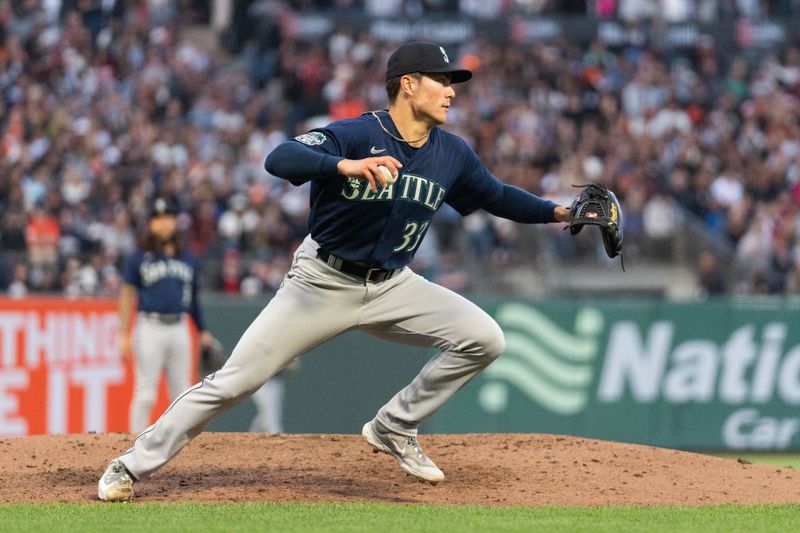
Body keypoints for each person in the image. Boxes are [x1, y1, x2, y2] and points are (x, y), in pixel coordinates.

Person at [98, 41, 573, 502]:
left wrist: (560, 213)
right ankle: (130, 464)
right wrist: (343, 165)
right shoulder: (356, 134)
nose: (451, 91)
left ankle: (395, 425)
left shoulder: (451, 153)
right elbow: (279, 158)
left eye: (453, 83)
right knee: (236, 381)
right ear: (408, 84)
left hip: (394, 285)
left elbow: (497, 196)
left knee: (485, 337)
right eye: (442, 81)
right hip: (320, 283)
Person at [119, 198, 217, 433]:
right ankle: (134, 445)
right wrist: (124, 334)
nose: (163, 224)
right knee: (146, 395)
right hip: (149, 326)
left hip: (179, 327)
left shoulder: (188, 258)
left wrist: (202, 330)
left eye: (167, 218)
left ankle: (178, 444)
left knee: (182, 392)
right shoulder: (138, 256)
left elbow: (192, 300)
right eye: (157, 219)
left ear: (174, 222)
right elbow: (126, 294)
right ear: (150, 224)